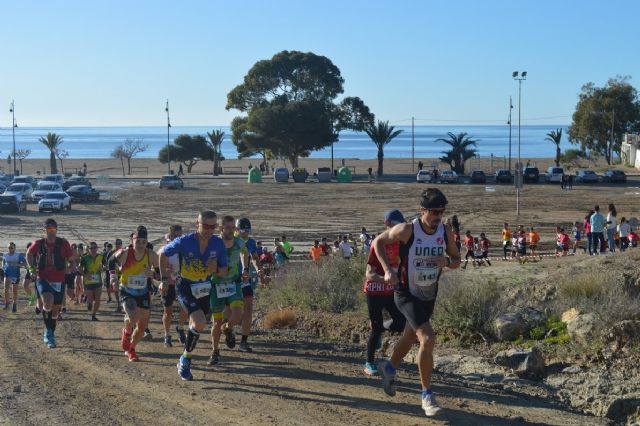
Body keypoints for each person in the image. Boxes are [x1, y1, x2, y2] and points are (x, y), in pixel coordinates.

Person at [375, 188, 461, 417]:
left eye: (442, 212)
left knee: (410, 336)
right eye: (434, 212)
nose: (438, 216)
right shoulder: (407, 230)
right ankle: (427, 396)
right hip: (405, 292)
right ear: (423, 210)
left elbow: (456, 259)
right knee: (427, 338)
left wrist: (447, 262)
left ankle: (389, 368)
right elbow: (378, 242)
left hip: (428, 293)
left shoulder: (445, 231)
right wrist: (386, 270)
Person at [161, 211, 227, 380]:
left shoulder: (218, 244)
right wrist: (163, 279)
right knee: (200, 321)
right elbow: (162, 254)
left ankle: (185, 357)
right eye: (206, 226)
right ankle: (185, 361)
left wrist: (216, 269)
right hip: (185, 286)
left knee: (197, 326)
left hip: (204, 287)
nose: (209, 230)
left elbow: (224, 270)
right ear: (197, 223)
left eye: (213, 227)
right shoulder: (185, 241)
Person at [362, 210, 407, 376]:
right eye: (395, 226)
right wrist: (384, 279)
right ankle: (369, 362)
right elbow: (369, 274)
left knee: (401, 322)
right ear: (387, 224)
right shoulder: (377, 243)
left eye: (400, 226)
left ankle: (380, 328)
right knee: (375, 329)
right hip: (374, 291)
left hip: (391, 291)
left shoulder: (400, 242)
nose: (398, 230)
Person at [26, 218, 74, 349]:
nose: (51, 232)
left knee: (55, 312)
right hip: (43, 278)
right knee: (47, 302)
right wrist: (31, 269)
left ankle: (50, 333)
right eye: (49, 230)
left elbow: (71, 260)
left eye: (53, 230)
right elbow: (28, 254)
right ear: (44, 231)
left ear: (56, 230)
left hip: (59, 280)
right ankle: (48, 334)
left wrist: (71, 267)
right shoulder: (38, 243)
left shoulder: (63, 244)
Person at [113, 227, 160, 361]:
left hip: (143, 292)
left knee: (142, 325)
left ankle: (131, 349)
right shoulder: (125, 253)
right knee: (133, 317)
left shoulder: (151, 255)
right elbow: (110, 262)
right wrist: (113, 278)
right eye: (137, 241)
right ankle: (127, 332)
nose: (140, 245)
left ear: (147, 242)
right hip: (127, 290)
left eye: (143, 242)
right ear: (132, 240)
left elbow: (160, 274)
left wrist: (153, 275)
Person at [208, 216, 245, 365]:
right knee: (216, 322)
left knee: (237, 315)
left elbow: (245, 252)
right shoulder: (213, 244)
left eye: (232, 228)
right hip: (216, 286)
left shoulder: (238, 242)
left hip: (233, 284)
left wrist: (246, 268)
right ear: (221, 228)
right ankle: (215, 351)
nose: (231, 230)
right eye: (227, 227)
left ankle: (228, 328)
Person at [237, 217, 261, 353]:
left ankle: (244, 341)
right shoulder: (230, 241)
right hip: (230, 280)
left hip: (245, 280)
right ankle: (226, 328)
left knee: (248, 308)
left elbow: (255, 259)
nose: (245, 233)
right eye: (242, 230)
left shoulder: (251, 242)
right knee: (231, 313)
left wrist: (259, 270)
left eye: (247, 230)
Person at [157, 225, 184, 348]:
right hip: (168, 284)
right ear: (171, 236)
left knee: (186, 308)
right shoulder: (164, 250)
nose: (179, 239)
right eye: (176, 236)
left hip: (182, 282)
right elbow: (155, 270)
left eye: (180, 236)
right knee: (168, 311)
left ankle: (180, 327)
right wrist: (163, 275)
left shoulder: (184, 249)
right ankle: (167, 335)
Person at [79, 242, 105, 321]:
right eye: (91, 248)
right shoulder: (84, 257)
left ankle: (93, 314)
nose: (93, 249)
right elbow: (79, 268)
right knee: (90, 300)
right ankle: (89, 304)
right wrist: (85, 275)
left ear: (97, 248)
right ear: (88, 249)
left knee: (97, 299)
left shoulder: (101, 256)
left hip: (98, 281)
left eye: (94, 248)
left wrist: (103, 268)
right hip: (88, 282)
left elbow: (105, 265)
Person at [2, 242, 26, 312]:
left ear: (15, 248)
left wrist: (20, 265)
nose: (10, 249)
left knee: (14, 291)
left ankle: (14, 304)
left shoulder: (18, 255)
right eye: (9, 247)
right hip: (7, 273)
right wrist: (3, 266)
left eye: (11, 247)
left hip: (16, 274)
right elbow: (3, 261)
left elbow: (25, 262)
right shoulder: (5, 254)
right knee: (5, 289)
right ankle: (7, 303)